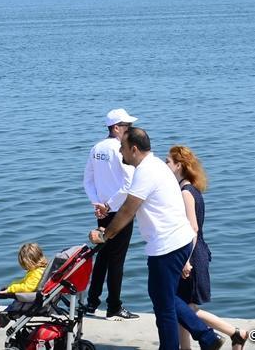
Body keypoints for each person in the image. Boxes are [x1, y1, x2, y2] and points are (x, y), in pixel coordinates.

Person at [89, 128, 223, 350]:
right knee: (164, 296)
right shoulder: (155, 165)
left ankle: (179, 345)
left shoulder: (146, 171)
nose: (119, 151)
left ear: (133, 149)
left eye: (122, 147)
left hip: (167, 246)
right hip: (179, 241)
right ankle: (207, 337)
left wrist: (104, 235)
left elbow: (128, 210)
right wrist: (108, 207)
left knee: (164, 306)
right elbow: (126, 200)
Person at [166, 146, 250, 350]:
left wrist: (185, 260)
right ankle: (187, 347)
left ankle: (234, 333)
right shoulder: (190, 188)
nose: (165, 164)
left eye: (168, 161)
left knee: (183, 306)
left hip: (191, 254)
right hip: (196, 251)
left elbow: (192, 228)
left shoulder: (186, 193)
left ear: (178, 166)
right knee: (184, 306)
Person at [81, 108, 138, 320]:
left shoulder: (96, 148)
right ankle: (114, 306)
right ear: (116, 128)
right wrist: (108, 204)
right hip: (120, 212)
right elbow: (129, 183)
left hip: (101, 212)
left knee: (103, 256)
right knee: (116, 260)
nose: (130, 129)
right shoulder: (121, 150)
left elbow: (87, 180)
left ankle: (92, 302)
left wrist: (97, 202)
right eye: (127, 126)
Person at [0, 242, 48, 327]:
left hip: (32, 302)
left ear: (29, 262)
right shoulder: (40, 270)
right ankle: (1, 315)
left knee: (16, 303)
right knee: (15, 301)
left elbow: (27, 287)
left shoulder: (36, 273)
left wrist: (11, 290)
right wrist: (11, 286)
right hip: (37, 298)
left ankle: (0, 320)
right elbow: (25, 282)